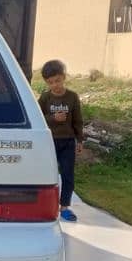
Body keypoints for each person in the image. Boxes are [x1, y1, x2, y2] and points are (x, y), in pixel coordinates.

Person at [38, 60, 84, 222]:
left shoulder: (72, 97)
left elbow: (77, 120)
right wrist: (53, 118)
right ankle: (42, 205)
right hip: (49, 143)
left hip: (67, 142)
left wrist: (79, 140)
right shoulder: (45, 98)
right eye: (50, 82)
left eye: (57, 80)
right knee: (45, 174)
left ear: (63, 77)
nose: (55, 85)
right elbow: (38, 119)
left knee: (67, 175)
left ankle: (64, 207)